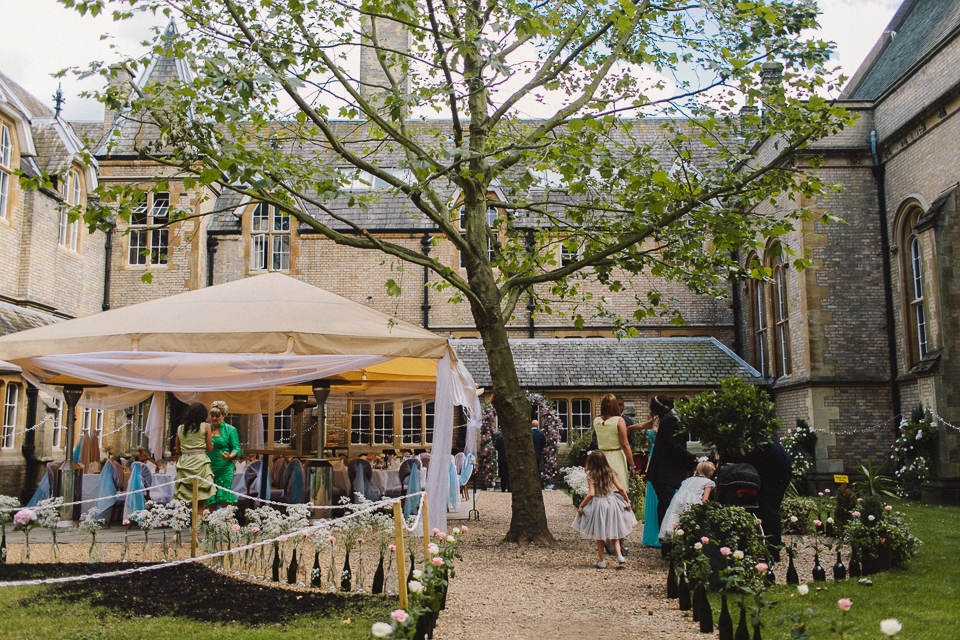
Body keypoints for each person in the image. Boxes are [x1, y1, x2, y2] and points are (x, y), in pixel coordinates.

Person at [644, 395, 697, 556]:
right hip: (664, 472)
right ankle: (667, 547)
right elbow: (674, 447)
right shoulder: (670, 420)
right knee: (666, 507)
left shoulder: (670, 419)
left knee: (668, 506)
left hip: (666, 472)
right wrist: (692, 459)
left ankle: (669, 544)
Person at [727, 437, 792, 561]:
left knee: (770, 510)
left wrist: (779, 480)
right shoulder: (749, 441)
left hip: (777, 476)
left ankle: (773, 549)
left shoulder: (765, 442)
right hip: (764, 476)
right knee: (761, 508)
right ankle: (763, 544)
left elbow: (779, 464)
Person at [572, 451, 638, 568]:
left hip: (598, 504)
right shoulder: (611, 473)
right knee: (615, 531)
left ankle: (602, 561)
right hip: (612, 502)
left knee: (599, 534)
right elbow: (621, 489)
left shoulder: (591, 475)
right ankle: (619, 556)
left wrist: (581, 505)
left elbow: (592, 494)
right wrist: (627, 501)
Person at [658, 460, 716, 541]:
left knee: (674, 518)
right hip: (692, 501)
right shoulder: (708, 482)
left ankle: (670, 538)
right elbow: (705, 500)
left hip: (678, 499)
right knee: (690, 522)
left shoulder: (688, 480)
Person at [173, 402, 217, 503]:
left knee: (182, 500)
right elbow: (210, 448)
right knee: (201, 499)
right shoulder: (206, 427)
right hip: (200, 462)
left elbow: (178, 450)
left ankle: (180, 519)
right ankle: (199, 519)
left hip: (185, 461)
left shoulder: (180, 428)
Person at [206, 400, 243, 509]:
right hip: (209, 466)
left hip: (225, 466)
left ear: (223, 416)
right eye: (212, 416)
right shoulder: (207, 429)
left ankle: (228, 522)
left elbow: (236, 448)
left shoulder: (230, 430)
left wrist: (230, 456)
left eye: (217, 416)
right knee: (211, 493)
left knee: (225, 493)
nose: (214, 418)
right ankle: (212, 523)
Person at [640, 417, 661, 547]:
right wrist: (630, 428)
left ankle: (660, 535)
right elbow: (642, 425)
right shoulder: (655, 419)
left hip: (660, 455)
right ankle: (652, 534)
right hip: (653, 455)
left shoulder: (666, 420)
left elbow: (656, 432)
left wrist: (654, 427)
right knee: (651, 491)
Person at [531, 420, 546, 487]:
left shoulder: (529, 433)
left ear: (531, 425)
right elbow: (543, 444)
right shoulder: (540, 434)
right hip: (537, 454)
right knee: (537, 469)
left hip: (529, 454)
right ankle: (537, 484)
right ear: (538, 425)